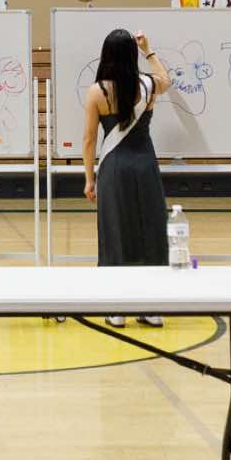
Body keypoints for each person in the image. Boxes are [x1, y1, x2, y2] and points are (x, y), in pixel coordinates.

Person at [83, 29, 173, 328]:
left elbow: (88, 140)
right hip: (145, 165)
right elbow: (166, 79)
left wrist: (89, 179)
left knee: (116, 231)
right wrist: (149, 51)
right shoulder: (147, 85)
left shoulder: (97, 91)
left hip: (114, 168)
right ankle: (152, 308)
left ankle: (117, 309)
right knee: (150, 232)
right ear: (132, 55)